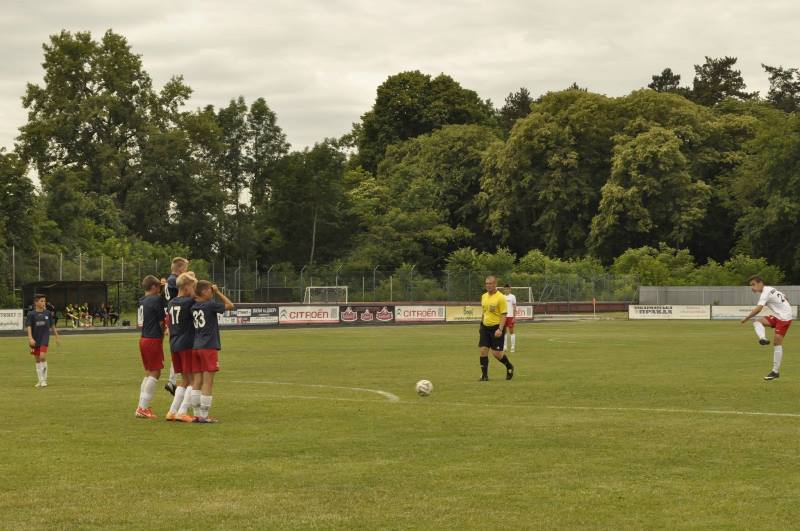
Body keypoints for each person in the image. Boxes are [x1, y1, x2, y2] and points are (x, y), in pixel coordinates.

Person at [190, 280, 234, 423]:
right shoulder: (209, 305)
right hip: (208, 347)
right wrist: (218, 292)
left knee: (197, 381)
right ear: (204, 292)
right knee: (208, 382)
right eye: (210, 290)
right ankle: (204, 415)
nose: (212, 291)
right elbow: (230, 305)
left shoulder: (194, 306)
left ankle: (196, 414)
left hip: (196, 346)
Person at [741, 275, 793, 380]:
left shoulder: (765, 293)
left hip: (784, 318)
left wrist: (746, 318)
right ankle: (763, 338)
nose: (752, 288)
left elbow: (759, 309)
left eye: (753, 284)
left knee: (777, 343)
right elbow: (785, 296)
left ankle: (775, 372)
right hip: (778, 316)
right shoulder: (770, 288)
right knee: (757, 322)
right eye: (751, 285)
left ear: (760, 283)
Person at [165, 272, 198, 422]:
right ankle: (182, 411)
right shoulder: (189, 302)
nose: (194, 290)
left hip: (174, 343)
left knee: (184, 380)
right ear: (185, 287)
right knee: (193, 379)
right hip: (187, 343)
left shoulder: (172, 302)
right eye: (193, 287)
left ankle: (172, 411)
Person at [135, 275, 167, 419]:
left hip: (143, 338)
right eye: (158, 287)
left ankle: (141, 406)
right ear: (153, 287)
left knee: (148, 372)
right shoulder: (156, 299)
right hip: (153, 338)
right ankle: (143, 407)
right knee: (155, 372)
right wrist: (162, 334)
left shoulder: (142, 300)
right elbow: (161, 321)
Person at [478, 276, 514, 381]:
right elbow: (484, 312)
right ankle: (484, 376)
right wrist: (481, 325)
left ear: (495, 284)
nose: (488, 285)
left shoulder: (500, 297)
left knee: (496, 354)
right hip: (485, 327)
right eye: (486, 283)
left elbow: (504, 314)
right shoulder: (484, 296)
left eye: (490, 283)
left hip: (497, 327)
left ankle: (509, 366)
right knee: (483, 350)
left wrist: (500, 329)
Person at [163, 257, 190, 396]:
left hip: (172, 314)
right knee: (181, 348)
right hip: (176, 315)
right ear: (180, 269)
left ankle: (172, 381)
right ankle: (172, 381)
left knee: (177, 348)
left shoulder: (169, 280)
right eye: (185, 268)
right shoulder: (174, 280)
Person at [27, 294, 60, 388]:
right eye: (41, 301)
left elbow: (52, 326)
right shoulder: (31, 314)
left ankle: (44, 380)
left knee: (42, 357)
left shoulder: (48, 313)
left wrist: (57, 336)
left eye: (44, 301)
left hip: (44, 338)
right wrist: (30, 338)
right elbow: (29, 326)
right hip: (34, 339)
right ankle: (40, 380)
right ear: (36, 302)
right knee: (37, 359)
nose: (43, 303)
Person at [503, 284, 517, 353]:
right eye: (505, 289)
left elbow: (514, 307)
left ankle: (512, 346)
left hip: (510, 316)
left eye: (508, 289)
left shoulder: (512, 297)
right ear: (504, 289)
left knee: (511, 332)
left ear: (510, 289)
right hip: (503, 316)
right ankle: (505, 346)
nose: (506, 290)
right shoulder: (502, 297)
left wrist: (514, 317)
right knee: (504, 332)